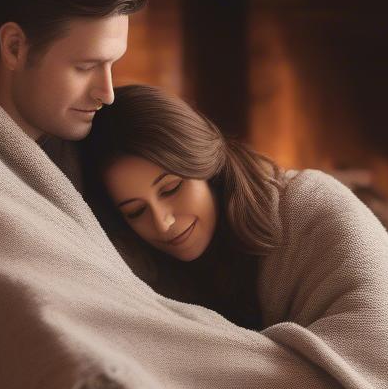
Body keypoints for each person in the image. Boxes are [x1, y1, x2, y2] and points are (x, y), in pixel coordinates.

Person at [81, 83, 288, 331]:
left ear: (203, 165)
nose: (163, 223)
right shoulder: (141, 276)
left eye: (171, 189)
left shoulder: (306, 207)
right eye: (136, 212)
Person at [0, 0, 148, 185]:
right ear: (14, 47)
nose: (107, 94)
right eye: (86, 67)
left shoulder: (99, 152)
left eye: (112, 64)